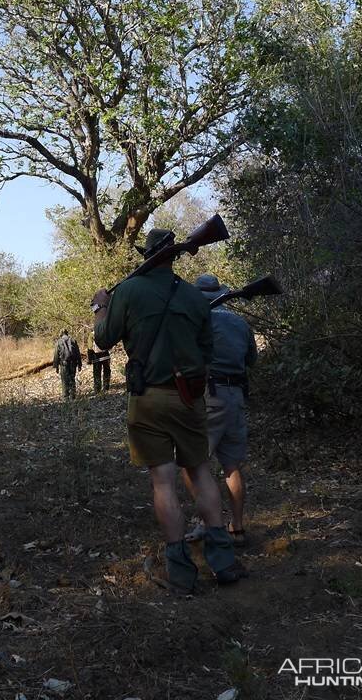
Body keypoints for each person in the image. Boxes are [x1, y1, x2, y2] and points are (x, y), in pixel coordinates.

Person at [91, 229, 245, 593]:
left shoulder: (127, 292)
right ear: (174, 256)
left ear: (147, 256)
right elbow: (207, 351)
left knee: (163, 481)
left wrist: (100, 307)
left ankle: (180, 572)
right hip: (191, 398)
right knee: (201, 473)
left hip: (148, 400)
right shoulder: (193, 296)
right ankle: (223, 562)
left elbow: (102, 340)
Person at [192, 273, 258, 547]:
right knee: (232, 465)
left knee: (196, 464)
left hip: (211, 394)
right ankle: (238, 528)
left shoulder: (198, 322)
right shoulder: (240, 322)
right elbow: (251, 359)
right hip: (236, 395)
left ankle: (209, 525)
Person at [53, 329, 82, 400]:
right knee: (72, 379)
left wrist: (56, 366)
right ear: (67, 333)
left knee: (64, 380)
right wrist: (79, 364)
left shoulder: (59, 342)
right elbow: (78, 353)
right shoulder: (73, 340)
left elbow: (56, 355)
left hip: (64, 364)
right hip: (73, 363)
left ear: (61, 334)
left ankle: (65, 397)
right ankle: (73, 396)